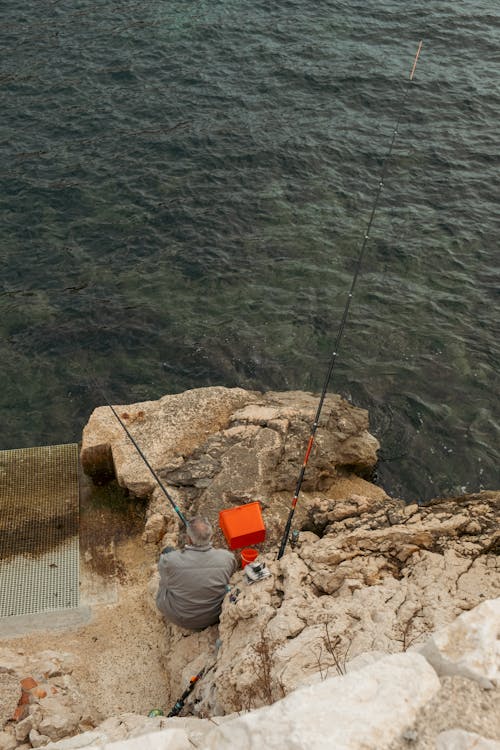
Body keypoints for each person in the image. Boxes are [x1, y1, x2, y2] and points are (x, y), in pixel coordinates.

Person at [156, 516, 237, 630]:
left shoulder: (169, 561)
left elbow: (163, 575)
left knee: (167, 553)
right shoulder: (227, 558)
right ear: (211, 536)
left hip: (180, 618)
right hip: (213, 616)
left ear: (188, 539)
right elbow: (231, 573)